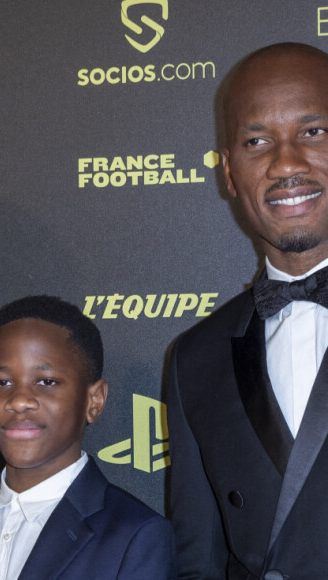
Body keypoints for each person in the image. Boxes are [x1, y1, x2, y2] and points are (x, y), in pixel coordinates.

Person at [168, 42, 328, 579]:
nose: (286, 163)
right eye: (257, 141)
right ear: (229, 174)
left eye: (314, 132)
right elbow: (198, 562)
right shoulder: (194, 360)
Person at [0, 295, 176, 579]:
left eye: (46, 382)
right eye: (1, 382)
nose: (18, 401)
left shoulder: (134, 536)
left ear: (94, 400)